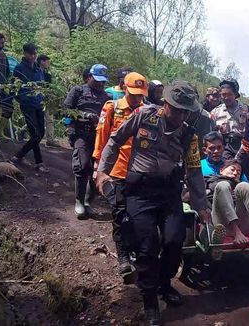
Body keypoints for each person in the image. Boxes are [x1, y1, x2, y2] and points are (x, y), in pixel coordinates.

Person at [95, 80, 211, 325]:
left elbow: (193, 170)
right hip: (140, 191)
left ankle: (164, 283)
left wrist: (202, 205)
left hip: (169, 192)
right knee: (147, 246)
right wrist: (102, 172)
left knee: (174, 241)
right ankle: (150, 302)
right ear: (165, 103)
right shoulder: (143, 116)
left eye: (185, 110)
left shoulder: (189, 134)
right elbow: (115, 140)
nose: (180, 115)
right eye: (176, 108)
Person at [92, 72, 148, 281]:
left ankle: (138, 252)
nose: (136, 99)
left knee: (139, 216)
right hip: (117, 172)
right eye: (133, 94)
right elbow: (102, 138)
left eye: (140, 95)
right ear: (124, 89)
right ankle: (123, 256)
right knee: (120, 215)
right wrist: (98, 167)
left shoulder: (148, 112)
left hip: (141, 173)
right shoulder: (112, 108)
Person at [64, 64, 110, 219]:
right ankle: (78, 201)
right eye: (97, 80)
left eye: (103, 82)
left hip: (99, 136)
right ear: (89, 77)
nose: (100, 84)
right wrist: (85, 115)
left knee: (96, 170)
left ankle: (88, 201)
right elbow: (65, 109)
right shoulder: (77, 91)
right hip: (81, 133)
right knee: (83, 166)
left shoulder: (106, 97)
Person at [10, 43, 49, 172]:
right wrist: (22, 98)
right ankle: (39, 162)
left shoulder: (39, 69)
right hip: (27, 105)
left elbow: (42, 85)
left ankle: (19, 155)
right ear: (25, 53)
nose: (33, 56)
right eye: (31, 54)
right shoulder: (19, 68)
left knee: (40, 134)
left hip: (39, 104)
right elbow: (13, 86)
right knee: (35, 134)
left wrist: (43, 98)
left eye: (35, 54)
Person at [210, 79, 249, 178]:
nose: (226, 97)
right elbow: (212, 135)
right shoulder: (215, 112)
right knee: (227, 175)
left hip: (242, 147)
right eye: (223, 94)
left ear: (235, 94)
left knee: (243, 176)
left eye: (229, 94)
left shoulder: (245, 110)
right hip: (225, 147)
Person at [37, 54, 59, 147]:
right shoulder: (36, 72)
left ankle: (50, 139)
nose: (48, 64)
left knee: (49, 119)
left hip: (47, 99)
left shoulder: (47, 75)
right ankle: (22, 131)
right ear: (41, 61)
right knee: (38, 119)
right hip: (38, 99)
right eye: (47, 61)